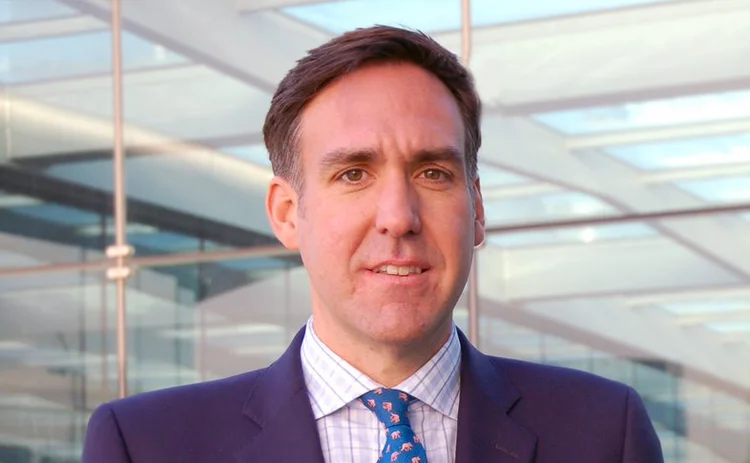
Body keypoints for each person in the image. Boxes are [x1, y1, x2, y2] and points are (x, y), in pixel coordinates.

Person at [82, 25, 664, 462]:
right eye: (354, 174)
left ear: (477, 208)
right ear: (287, 214)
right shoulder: (144, 445)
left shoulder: (603, 433)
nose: (398, 217)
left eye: (432, 173)